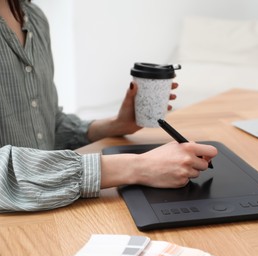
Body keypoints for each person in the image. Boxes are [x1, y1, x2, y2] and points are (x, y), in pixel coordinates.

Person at [0, 0, 217, 212]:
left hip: (52, 209)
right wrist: (137, 167)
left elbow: (44, 129)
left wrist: (115, 125)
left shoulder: (34, 17)